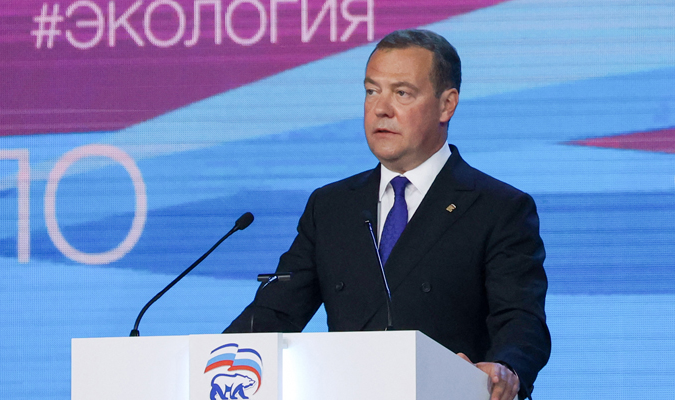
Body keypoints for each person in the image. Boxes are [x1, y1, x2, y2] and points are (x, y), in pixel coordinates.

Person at [225, 29, 550, 400]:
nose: (381, 108)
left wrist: (506, 369)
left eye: (401, 93)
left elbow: (521, 323)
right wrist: (212, 363)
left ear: (447, 105)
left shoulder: (497, 207)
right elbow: (275, 314)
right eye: (371, 91)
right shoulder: (332, 206)